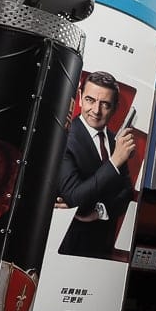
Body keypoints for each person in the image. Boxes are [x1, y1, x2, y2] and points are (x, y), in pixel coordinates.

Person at [56, 71, 136, 260]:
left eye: (105, 104)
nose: (96, 110)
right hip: (68, 251)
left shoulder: (115, 140)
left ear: (115, 108)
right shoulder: (64, 138)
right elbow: (75, 200)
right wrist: (115, 162)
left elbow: (126, 193)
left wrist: (99, 211)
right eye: (90, 100)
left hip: (103, 252)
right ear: (80, 98)